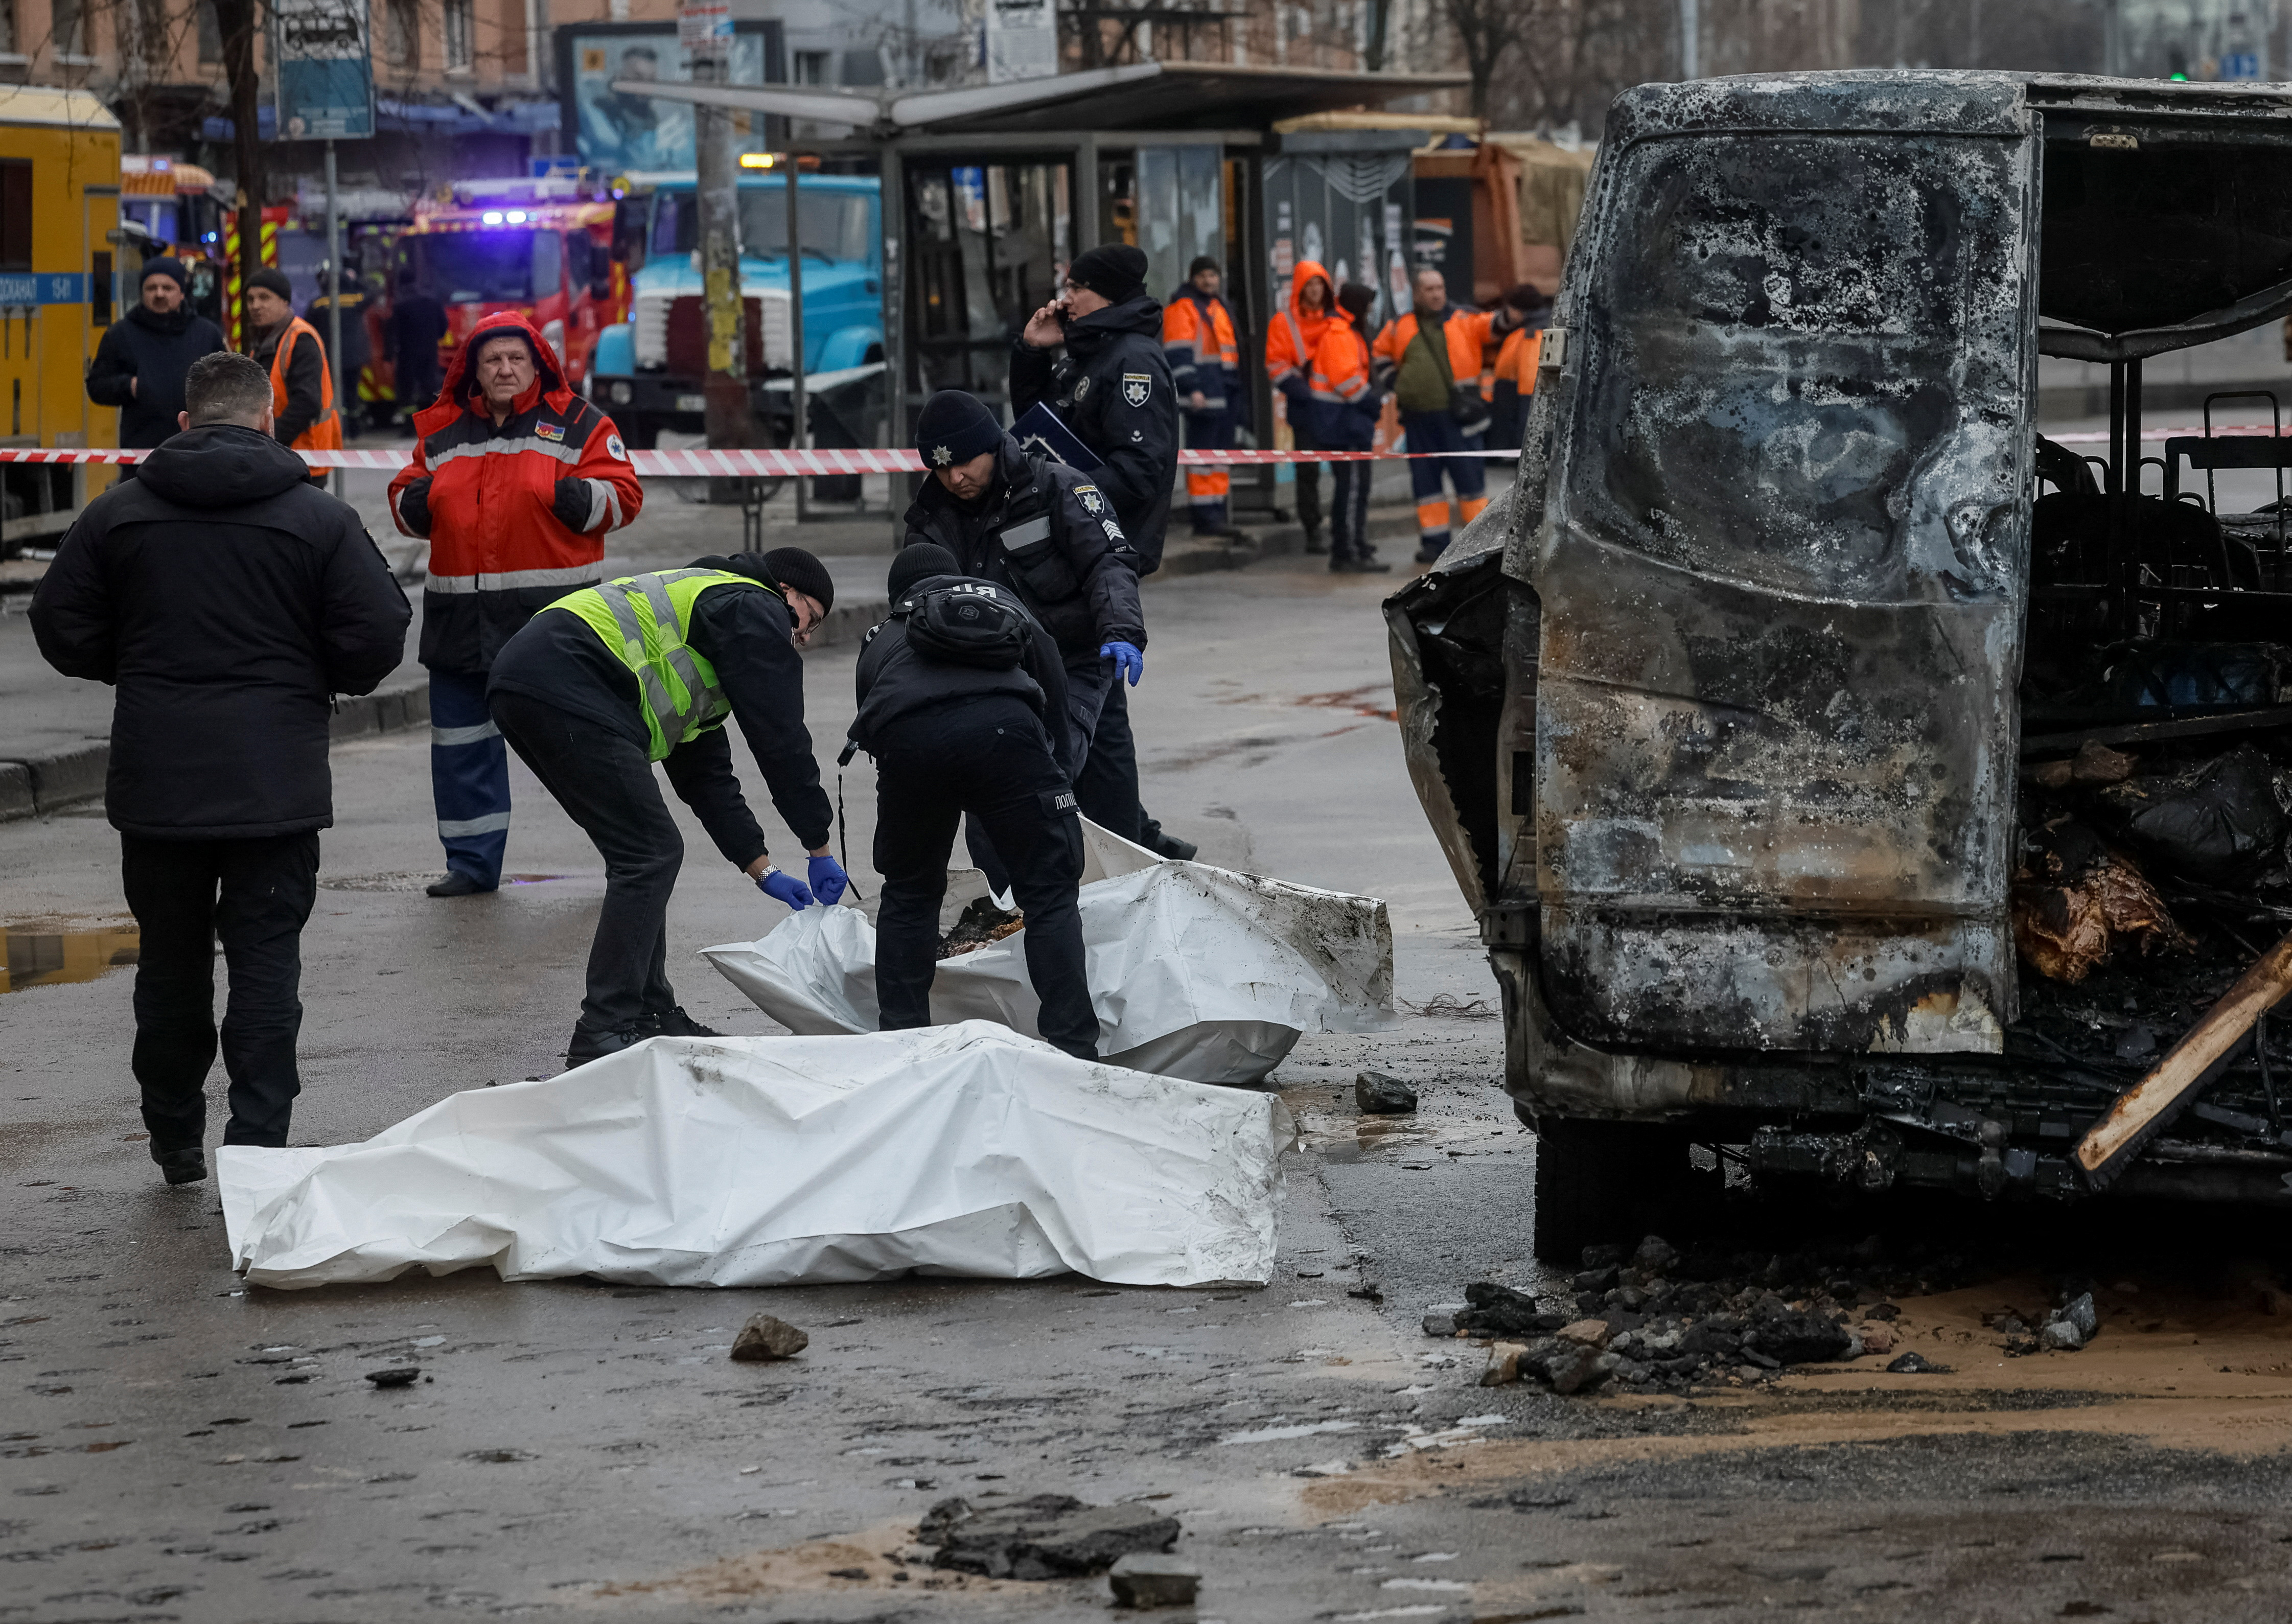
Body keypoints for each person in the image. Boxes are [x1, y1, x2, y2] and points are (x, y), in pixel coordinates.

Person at [28, 352, 410, 1184]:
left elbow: (59, 623)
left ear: (183, 423)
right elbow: (378, 631)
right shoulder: (319, 519)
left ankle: (173, 1138)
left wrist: (133, 666)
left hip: (158, 777)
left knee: (170, 960)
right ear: (269, 419)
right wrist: (318, 676)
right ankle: (257, 1148)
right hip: (276, 779)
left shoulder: (118, 514)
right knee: (268, 961)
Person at [487, 548, 849, 1064]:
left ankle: (651, 1012)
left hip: (537, 677)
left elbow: (707, 776)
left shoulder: (709, 620)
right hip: (563, 677)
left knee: (643, 852)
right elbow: (782, 739)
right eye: (808, 620)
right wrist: (818, 844)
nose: (804, 638)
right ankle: (605, 1027)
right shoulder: (753, 608)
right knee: (650, 852)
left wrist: (761, 868)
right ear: (787, 594)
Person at [388, 311, 643, 899]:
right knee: (461, 749)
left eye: (515, 359)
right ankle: (472, 865)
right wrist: (424, 500)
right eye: (492, 360)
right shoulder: (443, 429)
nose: (504, 369)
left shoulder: (579, 423)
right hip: (458, 621)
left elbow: (625, 498)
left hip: (551, 624)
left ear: (538, 364)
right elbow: (404, 500)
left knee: (581, 752)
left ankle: (629, 852)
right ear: (473, 370)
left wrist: (565, 494)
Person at [850, 542, 1095, 1059]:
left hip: (910, 741)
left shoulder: (885, 633)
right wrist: (1054, 774)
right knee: (1049, 894)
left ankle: (902, 1045)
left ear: (901, 595)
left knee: (910, 894)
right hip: (1010, 737)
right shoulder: (1004, 605)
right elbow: (1052, 678)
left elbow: (874, 725)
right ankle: (1074, 1050)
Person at [1011, 241, 1192, 860]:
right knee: (1089, 704)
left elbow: (1140, 470)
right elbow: (1039, 432)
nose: (1065, 297)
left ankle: (1125, 843)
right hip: (1068, 550)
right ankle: (1129, 834)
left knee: (1097, 706)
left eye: (1076, 286)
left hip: (1097, 551)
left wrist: (1062, 497)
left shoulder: (1133, 361)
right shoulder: (1089, 352)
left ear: (1107, 294)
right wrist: (1033, 354)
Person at [899, 390, 1144, 783]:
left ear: (991, 447)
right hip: (987, 673)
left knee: (1054, 773)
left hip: (1072, 663)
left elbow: (1107, 561)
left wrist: (1122, 631)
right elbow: (913, 606)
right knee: (993, 791)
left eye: (963, 462)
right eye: (941, 469)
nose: (954, 477)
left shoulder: (1057, 488)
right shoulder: (928, 522)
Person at [1373, 268, 1520, 564]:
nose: (1437, 294)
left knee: (1471, 486)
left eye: (1440, 287)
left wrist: (1517, 309)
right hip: (1418, 421)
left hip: (1459, 420)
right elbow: (1380, 355)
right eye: (1429, 289)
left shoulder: (1463, 320)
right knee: (1427, 489)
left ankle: (1480, 547)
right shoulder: (1401, 326)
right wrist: (1395, 383)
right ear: (1416, 294)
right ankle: (1434, 545)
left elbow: (1494, 325)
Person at [83, 257, 228, 473]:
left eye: (168, 287)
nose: (159, 294)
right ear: (142, 293)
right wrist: (130, 386)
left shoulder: (206, 335)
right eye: (151, 288)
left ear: (182, 293)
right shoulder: (121, 334)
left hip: (199, 452)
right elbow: (96, 386)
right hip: (141, 459)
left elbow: (227, 385)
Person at [1309, 282, 1394, 575]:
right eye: (1368, 304)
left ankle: (1355, 544)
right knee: (1353, 490)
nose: (1370, 310)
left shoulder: (1346, 331)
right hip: (1344, 425)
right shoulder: (1340, 334)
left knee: (1355, 489)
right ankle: (1348, 551)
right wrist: (1371, 402)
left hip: (1347, 424)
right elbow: (1346, 381)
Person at [1163, 254, 1243, 540]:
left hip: (1225, 390)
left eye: (1213, 275)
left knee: (1220, 457)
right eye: (1203, 276)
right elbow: (1178, 353)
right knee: (1203, 457)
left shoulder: (1219, 306)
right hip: (1203, 393)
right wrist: (1192, 388)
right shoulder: (1182, 308)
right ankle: (1204, 517)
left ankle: (1217, 512)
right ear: (1192, 278)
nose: (1208, 281)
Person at [1265, 258, 1334, 555]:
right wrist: (1305, 392)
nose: (1316, 290)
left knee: (1348, 470)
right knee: (1308, 473)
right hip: (1306, 407)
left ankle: (1343, 530)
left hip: (1337, 407)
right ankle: (1313, 529)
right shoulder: (1284, 322)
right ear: (1299, 288)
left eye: (1320, 284)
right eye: (1310, 284)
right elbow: (1277, 367)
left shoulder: (1337, 320)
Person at [244, 267, 341, 467]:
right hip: (281, 456)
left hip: (304, 456)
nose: (256, 306)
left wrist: (269, 439)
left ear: (285, 301)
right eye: (251, 299)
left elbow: (307, 403)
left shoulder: (300, 339)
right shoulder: (263, 340)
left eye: (264, 298)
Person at [304, 270, 371, 439]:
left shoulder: (319, 303)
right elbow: (373, 293)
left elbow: (307, 328)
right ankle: (354, 430)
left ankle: (339, 429)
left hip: (329, 358)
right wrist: (355, 281)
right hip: (353, 357)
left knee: (333, 395)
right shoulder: (355, 300)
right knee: (352, 394)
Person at [1487, 284, 1550, 453]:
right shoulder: (1530, 332)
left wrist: (1522, 444)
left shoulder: (1531, 336)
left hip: (1516, 439)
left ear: (1515, 310)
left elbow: (1530, 394)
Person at [389, 269, 447, 427]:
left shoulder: (401, 305)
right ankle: (432, 423)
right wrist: (432, 339)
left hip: (407, 353)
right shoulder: (432, 301)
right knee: (430, 386)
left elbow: (395, 332)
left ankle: (410, 426)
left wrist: (392, 351)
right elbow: (443, 325)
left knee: (407, 390)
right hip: (429, 351)